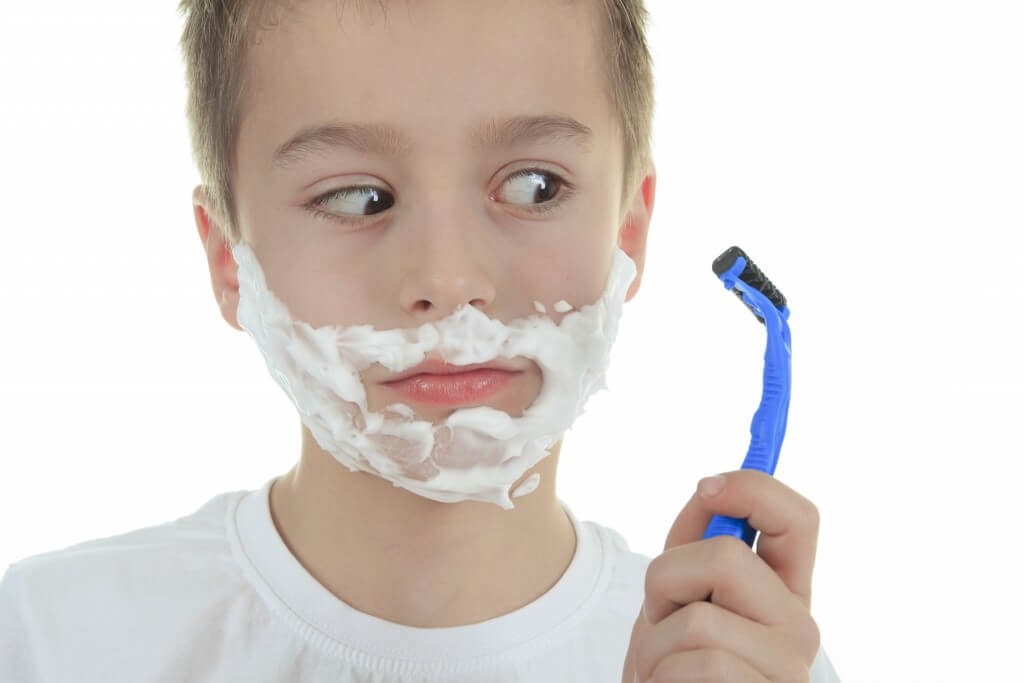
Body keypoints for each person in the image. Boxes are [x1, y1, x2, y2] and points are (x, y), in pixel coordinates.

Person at [0, 0, 840, 680]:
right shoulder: (51, 641)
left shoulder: (738, 662)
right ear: (229, 258)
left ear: (628, 233)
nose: (447, 276)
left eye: (534, 185)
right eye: (358, 198)